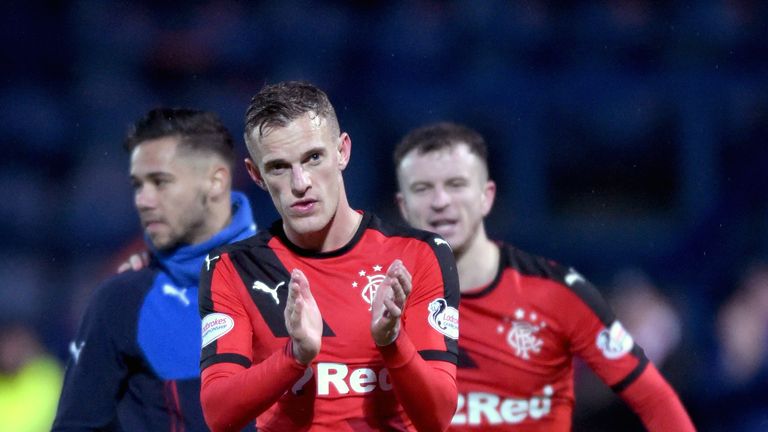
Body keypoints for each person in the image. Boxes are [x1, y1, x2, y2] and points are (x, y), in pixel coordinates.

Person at [393, 122, 695, 431]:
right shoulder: (378, 300)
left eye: (456, 184)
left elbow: (656, 400)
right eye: (422, 188)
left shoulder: (557, 293)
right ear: (403, 206)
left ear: (487, 195)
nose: (441, 201)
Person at [198, 81, 460, 432]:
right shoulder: (233, 268)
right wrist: (295, 356)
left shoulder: (418, 255)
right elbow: (218, 414)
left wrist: (392, 341)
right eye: (278, 167)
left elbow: (438, 417)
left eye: (313, 158)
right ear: (256, 175)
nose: (300, 182)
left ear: (343, 151)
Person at [52, 108, 258, 431]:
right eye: (138, 185)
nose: (142, 200)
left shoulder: (293, 283)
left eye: (160, 182)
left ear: (216, 182)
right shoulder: (120, 301)